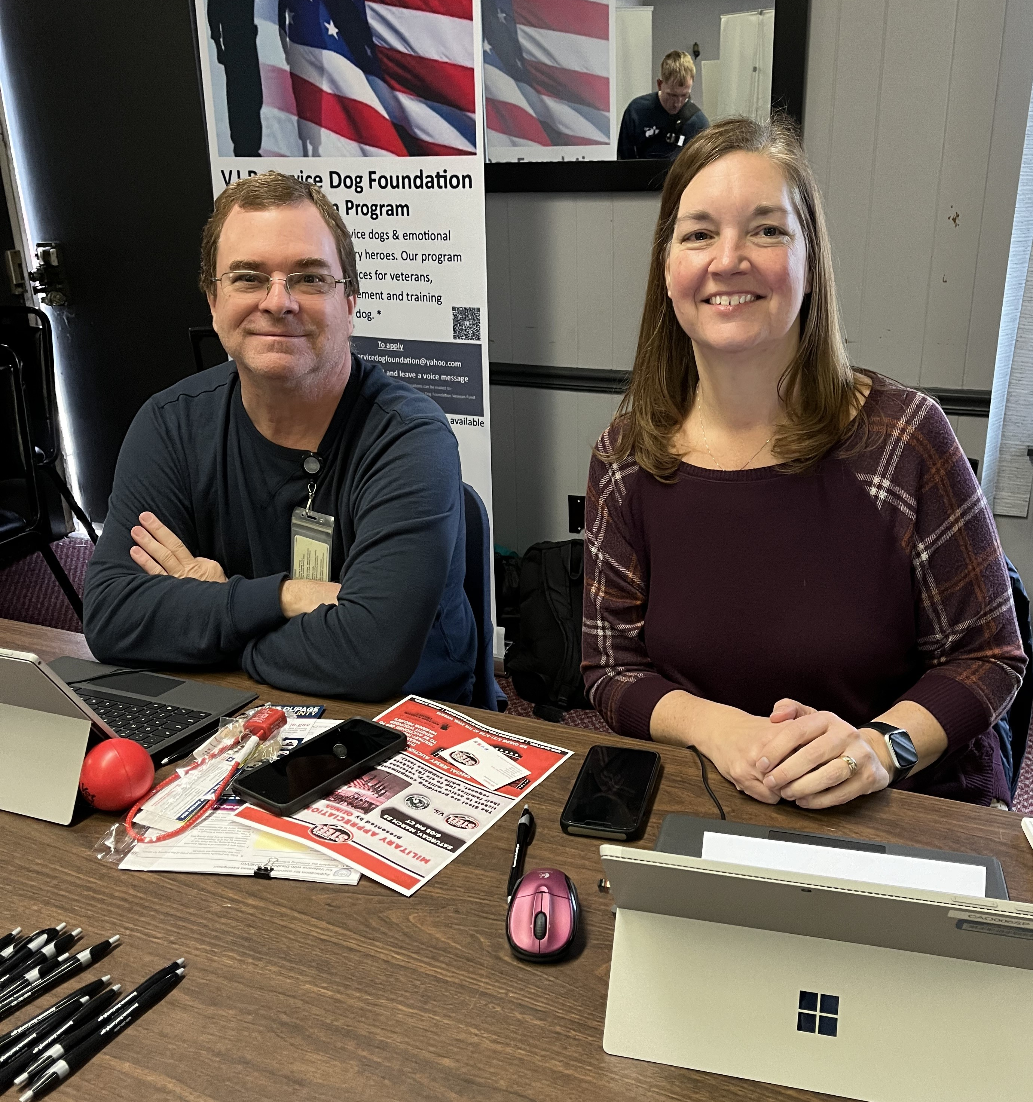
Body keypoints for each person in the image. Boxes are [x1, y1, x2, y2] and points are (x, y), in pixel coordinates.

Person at [583, 115, 1025, 808]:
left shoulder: (902, 438)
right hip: (713, 798)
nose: (728, 259)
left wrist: (879, 749)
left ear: (811, 264)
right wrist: (722, 731)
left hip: (903, 805)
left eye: (766, 230)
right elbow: (610, 667)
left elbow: (988, 656)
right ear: (667, 271)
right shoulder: (626, 456)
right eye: (698, 234)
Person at [83, 172, 479, 704]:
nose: (278, 301)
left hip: (399, 721)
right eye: (248, 278)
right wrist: (284, 597)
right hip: (228, 707)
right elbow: (111, 617)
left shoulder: (409, 439)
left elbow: (369, 655)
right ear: (213, 300)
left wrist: (213, 613)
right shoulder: (170, 424)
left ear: (350, 302)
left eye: (309, 278)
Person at [207, 0, 274, 157]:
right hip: (237, 47)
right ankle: (244, 147)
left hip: (242, 47)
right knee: (241, 98)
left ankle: (250, 147)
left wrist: (219, 47)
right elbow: (213, 19)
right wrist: (219, 46)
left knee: (250, 96)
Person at [617, 50, 710, 161]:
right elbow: (623, 162)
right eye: (672, 95)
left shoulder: (699, 124)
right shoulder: (636, 112)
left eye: (684, 95)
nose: (677, 103)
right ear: (660, 84)